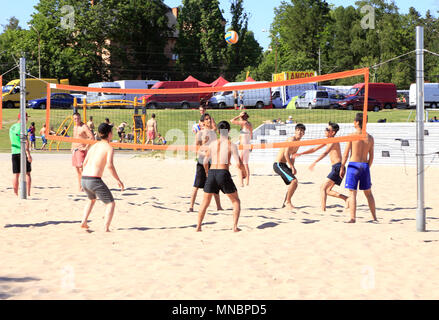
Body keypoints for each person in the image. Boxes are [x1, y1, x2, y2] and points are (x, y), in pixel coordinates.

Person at [196, 121, 246, 232]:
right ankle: (234, 227)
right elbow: (238, 163)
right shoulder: (231, 145)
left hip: (212, 172)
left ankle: (198, 227)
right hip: (223, 173)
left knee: (205, 202)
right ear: (228, 131)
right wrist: (244, 172)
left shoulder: (212, 144)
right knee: (236, 201)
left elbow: (205, 161)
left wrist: (207, 172)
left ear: (218, 131)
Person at [294, 122, 348, 212]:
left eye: (327, 129)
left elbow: (325, 152)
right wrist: (301, 153)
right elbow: (314, 149)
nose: (325, 131)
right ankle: (346, 199)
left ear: (333, 132)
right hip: (336, 167)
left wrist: (315, 162)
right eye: (325, 129)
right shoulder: (328, 140)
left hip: (338, 167)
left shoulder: (333, 140)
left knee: (322, 188)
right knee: (327, 190)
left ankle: (323, 210)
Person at [80, 123, 124, 232]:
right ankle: (106, 228)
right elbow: (109, 165)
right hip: (94, 179)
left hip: (84, 178)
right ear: (110, 134)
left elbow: (84, 163)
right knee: (111, 203)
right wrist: (118, 180)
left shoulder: (94, 145)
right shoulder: (109, 147)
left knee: (91, 199)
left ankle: (84, 221)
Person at [340, 113, 377, 224]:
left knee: (352, 193)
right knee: (368, 193)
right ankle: (374, 217)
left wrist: (342, 166)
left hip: (353, 165)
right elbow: (371, 156)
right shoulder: (370, 138)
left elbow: (346, 154)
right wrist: (367, 168)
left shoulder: (352, 136)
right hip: (364, 166)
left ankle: (352, 218)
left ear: (356, 122)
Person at [189, 113, 223, 213]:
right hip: (202, 160)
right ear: (203, 122)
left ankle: (219, 206)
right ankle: (191, 206)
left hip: (212, 161)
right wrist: (203, 153)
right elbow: (195, 148)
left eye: (209, 119)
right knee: (197, 185)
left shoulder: (213, 133)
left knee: (215, 184)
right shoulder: (200, 133)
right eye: (206, 119)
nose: (208, 121)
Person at [273, 123, 306, 211]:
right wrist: (291, 166)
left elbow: (293, 156)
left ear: (304, 133)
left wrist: (292, 167)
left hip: (284, 164)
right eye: (298, 130)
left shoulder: (299, 143)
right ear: (295, 131)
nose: (299, 132)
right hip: (278, 164)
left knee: (294, 183)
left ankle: (286, 202)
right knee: (294, 181)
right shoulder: (291, 139)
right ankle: (288, 202)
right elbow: (286, 153)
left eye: (301, 131)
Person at [10, 112, 32, 196]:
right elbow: (26, 142)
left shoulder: (12, 127)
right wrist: (28, 154)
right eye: (26, 118)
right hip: (22, 152)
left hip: (14, 152)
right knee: (27, 173)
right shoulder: (22, 128)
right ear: (22, 118)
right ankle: (28, 193)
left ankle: (15, 194)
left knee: (16, 174)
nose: (27, 120)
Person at [72, 112, 95, 192]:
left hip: (81, 149)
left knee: (82, 169)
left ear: (80, 118)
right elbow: (75, 138)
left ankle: (86, 186)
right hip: (75, 150)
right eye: (75, 118)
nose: (76, 120)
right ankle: (80, 187)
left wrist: (86, 147)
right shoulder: (75, 126)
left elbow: (92, 138)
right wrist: (72, 148)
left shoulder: (84, 127)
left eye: (78, 118)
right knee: (77, 170)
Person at [231, 111, 253, 187]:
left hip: (243, 146)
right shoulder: (249, 124)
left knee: (239, 164)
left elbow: (232, 121)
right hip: (247, 145)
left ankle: (241, 182)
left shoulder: (244, 123)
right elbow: (251, 135)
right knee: (245, 163)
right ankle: (247, 181)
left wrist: (238, 115)